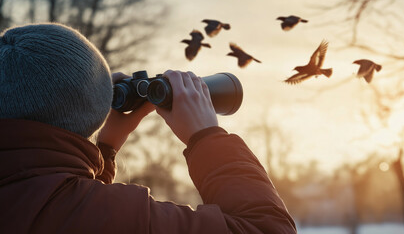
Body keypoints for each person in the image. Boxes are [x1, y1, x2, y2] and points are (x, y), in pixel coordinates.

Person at [0, 23, 296, 233]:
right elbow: (267, 228)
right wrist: (205, 137)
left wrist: (103, 152)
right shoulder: (113, 216)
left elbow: (58, 206)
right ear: (92, 109)